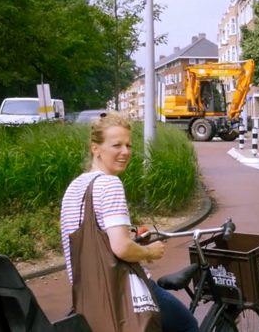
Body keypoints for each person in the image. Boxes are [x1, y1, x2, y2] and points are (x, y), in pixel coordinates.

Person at [60, 111, 199, 332]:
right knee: (188, 326)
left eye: (128, 145)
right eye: (116, 145)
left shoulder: (74, 187)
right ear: (95, 149)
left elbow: (85, 241)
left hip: (88, 296)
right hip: (125, 291)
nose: (125, 152)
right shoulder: (110, 184)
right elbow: (121, 248)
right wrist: (150, 252)